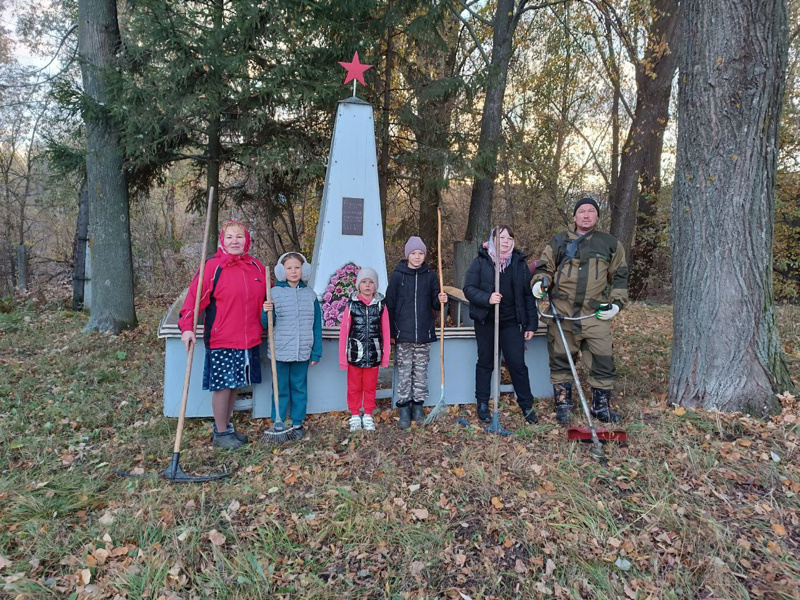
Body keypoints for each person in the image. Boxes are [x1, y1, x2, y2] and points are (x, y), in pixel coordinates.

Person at [532, 196, 628, 424]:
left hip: (594, 314)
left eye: (591, 211)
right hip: (562, 314)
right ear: (574, 216)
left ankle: (600, 407)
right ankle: (563, 405)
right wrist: (539, 283)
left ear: (596, 216)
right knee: (560, 360)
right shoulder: (559, 242)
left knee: (602, 360)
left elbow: (621, 275)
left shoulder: (609, 244)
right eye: (582, 211)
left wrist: (616, 304)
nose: (586, 215)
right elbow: (544, 267)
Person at [178, 220, 266, 449]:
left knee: (236, 384)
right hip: (222, 337)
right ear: (222, 241)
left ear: (246, 240)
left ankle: (227, 428)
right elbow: (194, 300)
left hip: (249, 338)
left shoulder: (257, 267)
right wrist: (187, 327)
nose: (235, 241)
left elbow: (266, 301)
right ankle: (219, 432)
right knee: (223, 385)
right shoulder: (212, 267)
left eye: (239, 236)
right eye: (230, 237)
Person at [463, 225, 539, 424]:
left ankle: (527, 405)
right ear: (493, 239)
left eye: (508, 237)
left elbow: (527, 296)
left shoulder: (519, 264)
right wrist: (487, 298)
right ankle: (482, 403)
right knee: (485, 361)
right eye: (501, 237)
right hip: (487, 320)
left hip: (511, 322)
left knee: (517, 363)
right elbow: (468, 289)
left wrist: (531, 324)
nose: (505, 241)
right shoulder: (481, 261)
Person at [385, 236, 448, 429]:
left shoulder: (429, 276)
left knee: (420, 372)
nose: (417, 257)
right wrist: (391, 333)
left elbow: (435, 304)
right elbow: (390, 305)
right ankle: (404, 408)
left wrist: (441, 299)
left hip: (423, 333)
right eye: (413, 253)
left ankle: (418, 407)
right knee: (404, 372)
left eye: (421, 253)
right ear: (407, 255)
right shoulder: (397, 276)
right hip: (403, 334)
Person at [261, 252, 322, 439]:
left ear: (304, 270)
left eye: (297, 267)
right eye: (289, 268)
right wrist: (266, 312)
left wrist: (316, 352)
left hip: (302, 351)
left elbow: (316, 325)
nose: (294, 271)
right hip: (280, 351)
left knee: (299, 387)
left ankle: (297, 422)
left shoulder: (310, 295)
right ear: (282, 271)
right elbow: (266, 324)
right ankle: (278, 420)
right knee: (280, 388)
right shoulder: (274, 293)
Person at [338, 267, 391, 431]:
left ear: (375, 286)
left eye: (371, 282)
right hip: (355, 355)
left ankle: (367, 413)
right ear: (358, 285)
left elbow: (386, 331)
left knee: (370, 386)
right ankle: (355, 414)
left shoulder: (381, 306)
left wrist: (385, 356)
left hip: (373, 355)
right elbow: (344, 333)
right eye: (364, 282)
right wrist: (343, 358)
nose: (367, 285)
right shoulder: (351, 305)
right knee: (354, 387)